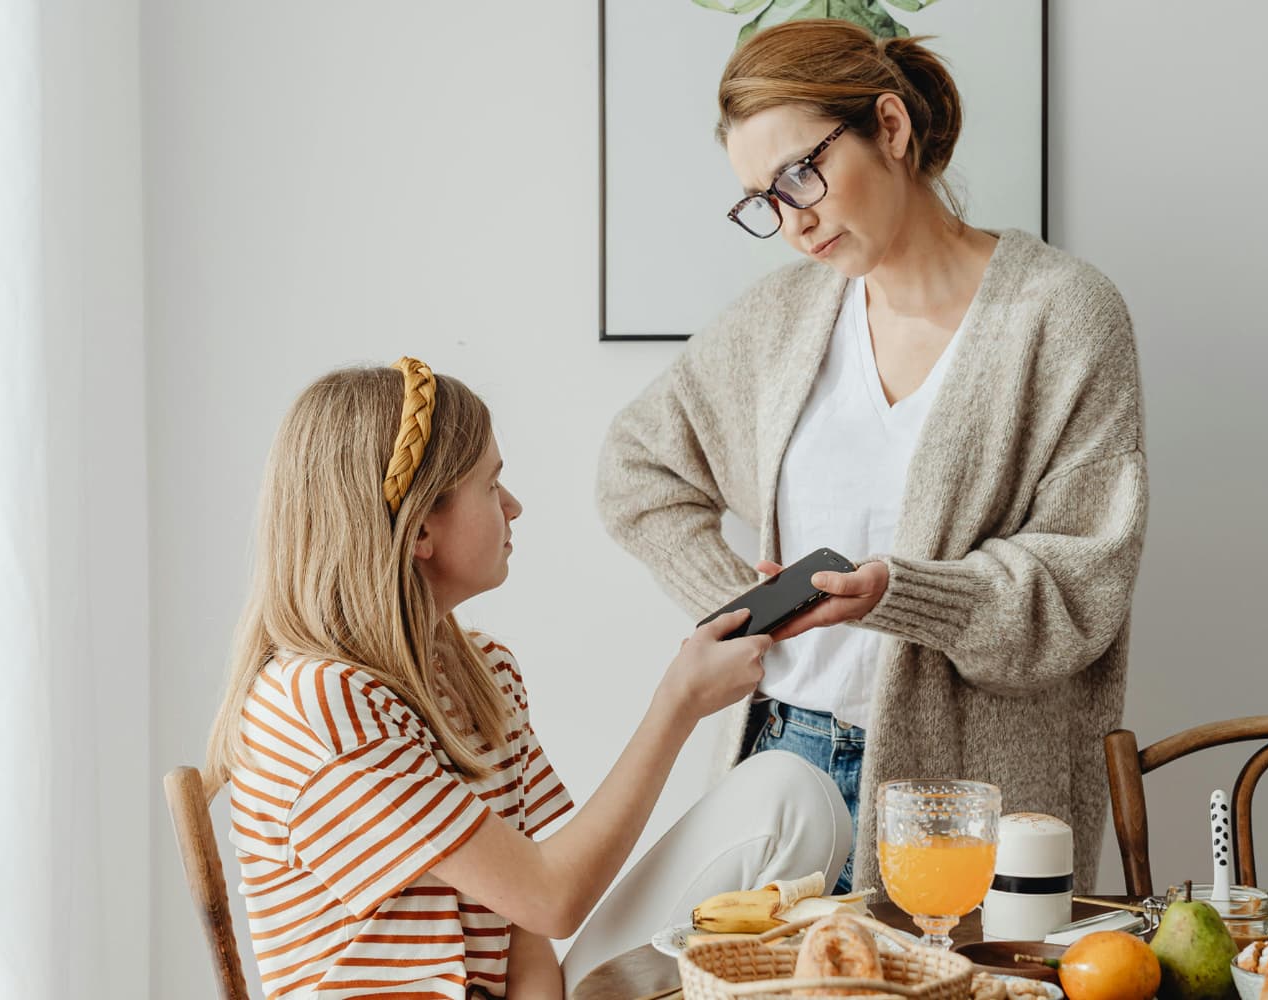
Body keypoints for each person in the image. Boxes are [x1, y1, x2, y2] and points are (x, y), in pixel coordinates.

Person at [596, 19, 1149, 895]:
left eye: (798, 174)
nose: (792, 218)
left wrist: (903, 593)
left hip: (968, 792)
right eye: (763, 200)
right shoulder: (779, 320)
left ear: (889, 128)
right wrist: (742, 606)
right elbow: (637, 468)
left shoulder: (1062, 315)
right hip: (779, 762)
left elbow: (1082, 592)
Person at [206, 359, 851, 997]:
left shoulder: (481, 671)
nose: (514, 506)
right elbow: (551, 899)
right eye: (492, 486)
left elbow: (525, 937)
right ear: (422, 527)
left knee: (792, 795)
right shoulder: (320, 702)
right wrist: (676, 706)